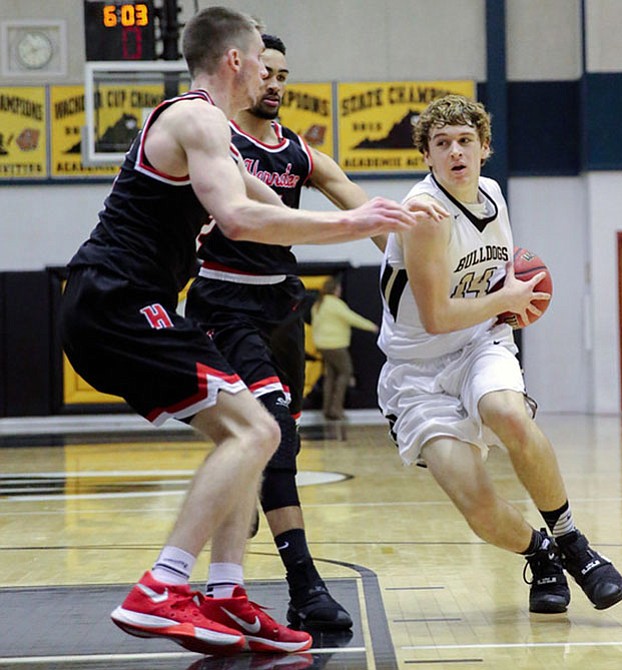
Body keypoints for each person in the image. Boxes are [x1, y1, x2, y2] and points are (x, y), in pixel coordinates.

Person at [58, 7, 423, 658]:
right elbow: (237, 218)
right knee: (257, 428)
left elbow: (271, 215)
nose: (269, 72)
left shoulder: (216, 137)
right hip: (114, 299)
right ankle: (163, 583)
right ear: (234, 61)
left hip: (122, 304)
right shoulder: (194, 115)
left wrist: (386, 230)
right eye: (262, 59)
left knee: (251, 430)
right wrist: (350, 225)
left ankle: (226, 590)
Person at [185, 33, 444, 631]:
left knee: (280, 443)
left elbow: (369, 213)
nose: (275, 83)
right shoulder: (213, 135)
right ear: (242, 72)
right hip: (223, 305)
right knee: (273, 430)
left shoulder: (300, 154)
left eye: (283, 75)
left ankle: (242, 494)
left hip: (280, 310)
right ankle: (304, 584)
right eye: (265, 72)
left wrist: (418, 255)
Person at [376, 94, 622, 614]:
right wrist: (510, 298)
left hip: (479, 343)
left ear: (485, 147)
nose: (455, 152)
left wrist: (510, 296)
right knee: (478, 507)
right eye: (441, 144)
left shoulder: (492, 193)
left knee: (507, 413)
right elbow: (436, 318)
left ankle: (572, 541)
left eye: (465, 141)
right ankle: (541, 556)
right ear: (427, 156)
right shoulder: (425, 215)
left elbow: (489, 283)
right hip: (417, 372)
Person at [311, 276, 379, 420]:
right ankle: (336, 409)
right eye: (339, 288)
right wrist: (371, 326)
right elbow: (352, 318)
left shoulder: (318, 304)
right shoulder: (335, 304)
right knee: (345, 372)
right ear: (335, 290)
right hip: (335, 345)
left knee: (331, 376)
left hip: (322, 345)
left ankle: (327, 409)